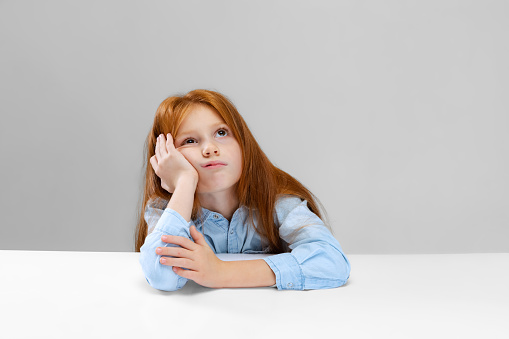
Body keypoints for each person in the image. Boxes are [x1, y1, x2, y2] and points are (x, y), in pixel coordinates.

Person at [135, 89, 351, 291]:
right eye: (190, 140)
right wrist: (184, 181)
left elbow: (332, 261)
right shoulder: (166, 208)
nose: (210, 148)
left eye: (221, 132)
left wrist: (221, 272)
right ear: (165, 156)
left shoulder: (278, 202)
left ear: (243, 143)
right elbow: (160, 274)